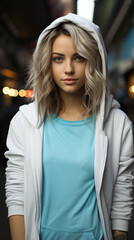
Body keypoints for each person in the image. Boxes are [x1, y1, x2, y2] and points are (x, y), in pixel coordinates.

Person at [5, 13, 134, 240]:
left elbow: (122, 191)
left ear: (94, 61)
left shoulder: (117, 124)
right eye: (58, 58)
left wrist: (119, 231)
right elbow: (17, 191)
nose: (68, 69)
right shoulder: (24, 121)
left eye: (79, 58)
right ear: (47, 62)